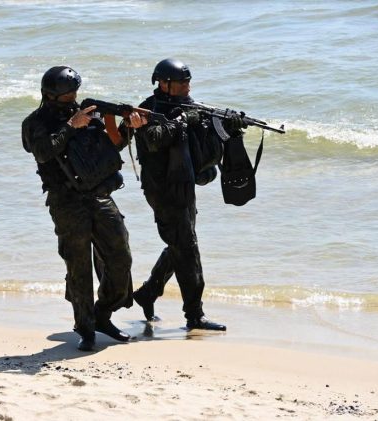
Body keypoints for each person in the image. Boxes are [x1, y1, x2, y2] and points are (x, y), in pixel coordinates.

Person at [22, 66, 145, 351]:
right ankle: (86, 328)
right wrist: (70, 126)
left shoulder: (89, 113)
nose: (73, 98)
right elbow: (42, 152)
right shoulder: (35, 122)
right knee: (79, 268)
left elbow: (111, 147)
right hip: (66, 202)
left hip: (99, 196)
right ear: (50, 95)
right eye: (68, 95)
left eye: (75, 92)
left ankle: (103, 313)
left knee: (121, 258)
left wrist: (130, 127)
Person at [132, 58, 245, 331]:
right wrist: (183, 120)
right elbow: (154, 139)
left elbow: (203, 137)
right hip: (162, 190)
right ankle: (194, 315)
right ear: (163, 83)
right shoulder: (145, 110)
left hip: (184, 185)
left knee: (181, 244)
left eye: (188, 81)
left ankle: (148, 292)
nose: (187, 86)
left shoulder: (187, 105)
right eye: (182, 83)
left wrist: (227, 125)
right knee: (187, 248)